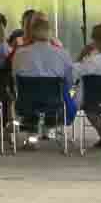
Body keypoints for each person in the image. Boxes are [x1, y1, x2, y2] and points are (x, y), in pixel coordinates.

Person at [9, 15, 73, 145]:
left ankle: (32, 131)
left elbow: (15, 78)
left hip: (26, 102)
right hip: (55, 103)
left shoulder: (20, 53)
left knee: (25, 96)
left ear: (31, 32)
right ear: (50, 33)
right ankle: (49, 126)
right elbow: (69, 80)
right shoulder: (62, 54)